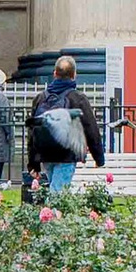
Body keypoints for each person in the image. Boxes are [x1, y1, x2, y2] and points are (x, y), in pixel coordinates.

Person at [26, 54, 103, 200]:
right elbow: (91, 129)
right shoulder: (78, 98)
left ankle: (53, 213)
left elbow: (32, 132)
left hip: (45, 153)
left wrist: (33, 163)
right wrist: (98, 157)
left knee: (55, 189)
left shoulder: (40, 98)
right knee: (58, 194)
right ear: (74, 75)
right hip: (66, 154)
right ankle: (50, 214)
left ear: (55, 73)